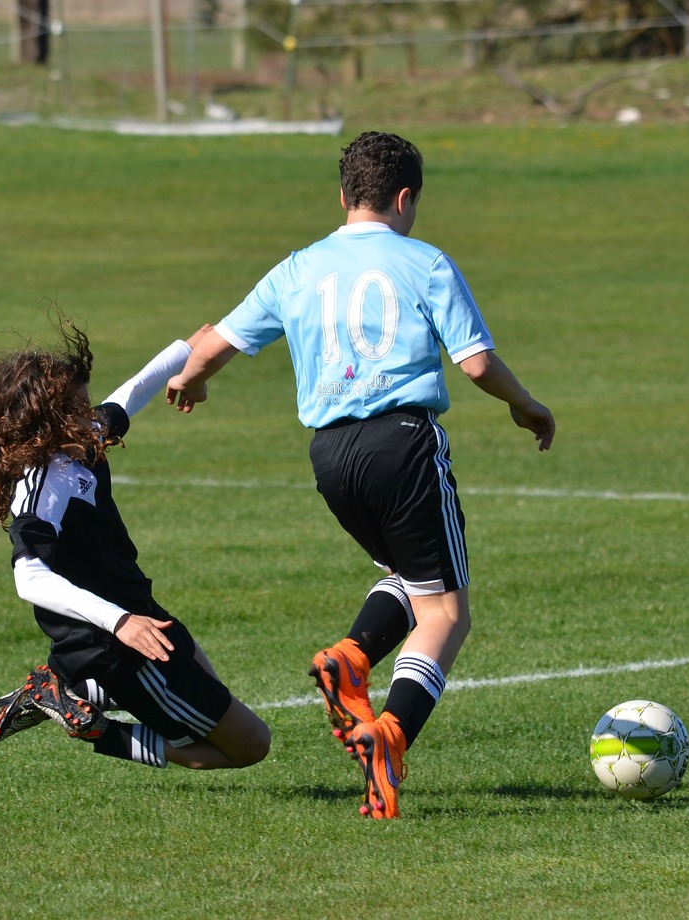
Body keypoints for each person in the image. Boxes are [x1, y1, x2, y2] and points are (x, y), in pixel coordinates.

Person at [166, 131, 555, 818]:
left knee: (408, 575)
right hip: (403, 443)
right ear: (405, 199)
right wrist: (526, 406)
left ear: (343, 195)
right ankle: (391, 733)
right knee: (446, 611)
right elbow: (474, 362)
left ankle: (351, 658)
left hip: (330, 456)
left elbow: (213, 347)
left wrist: (192, 381)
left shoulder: (297, 268)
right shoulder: (425, 262)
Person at [0, 320, 271, 772]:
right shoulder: (43, 482)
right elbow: (29, 578)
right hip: (114, 644)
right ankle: (97, 728)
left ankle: (61, 689)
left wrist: (193, 348)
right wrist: (120, 621)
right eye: (80, 407)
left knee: (210, 688)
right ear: (50, 418)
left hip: (139, 612)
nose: (92, 415)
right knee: (250, 745)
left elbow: (131, 393)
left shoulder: (79, 437)